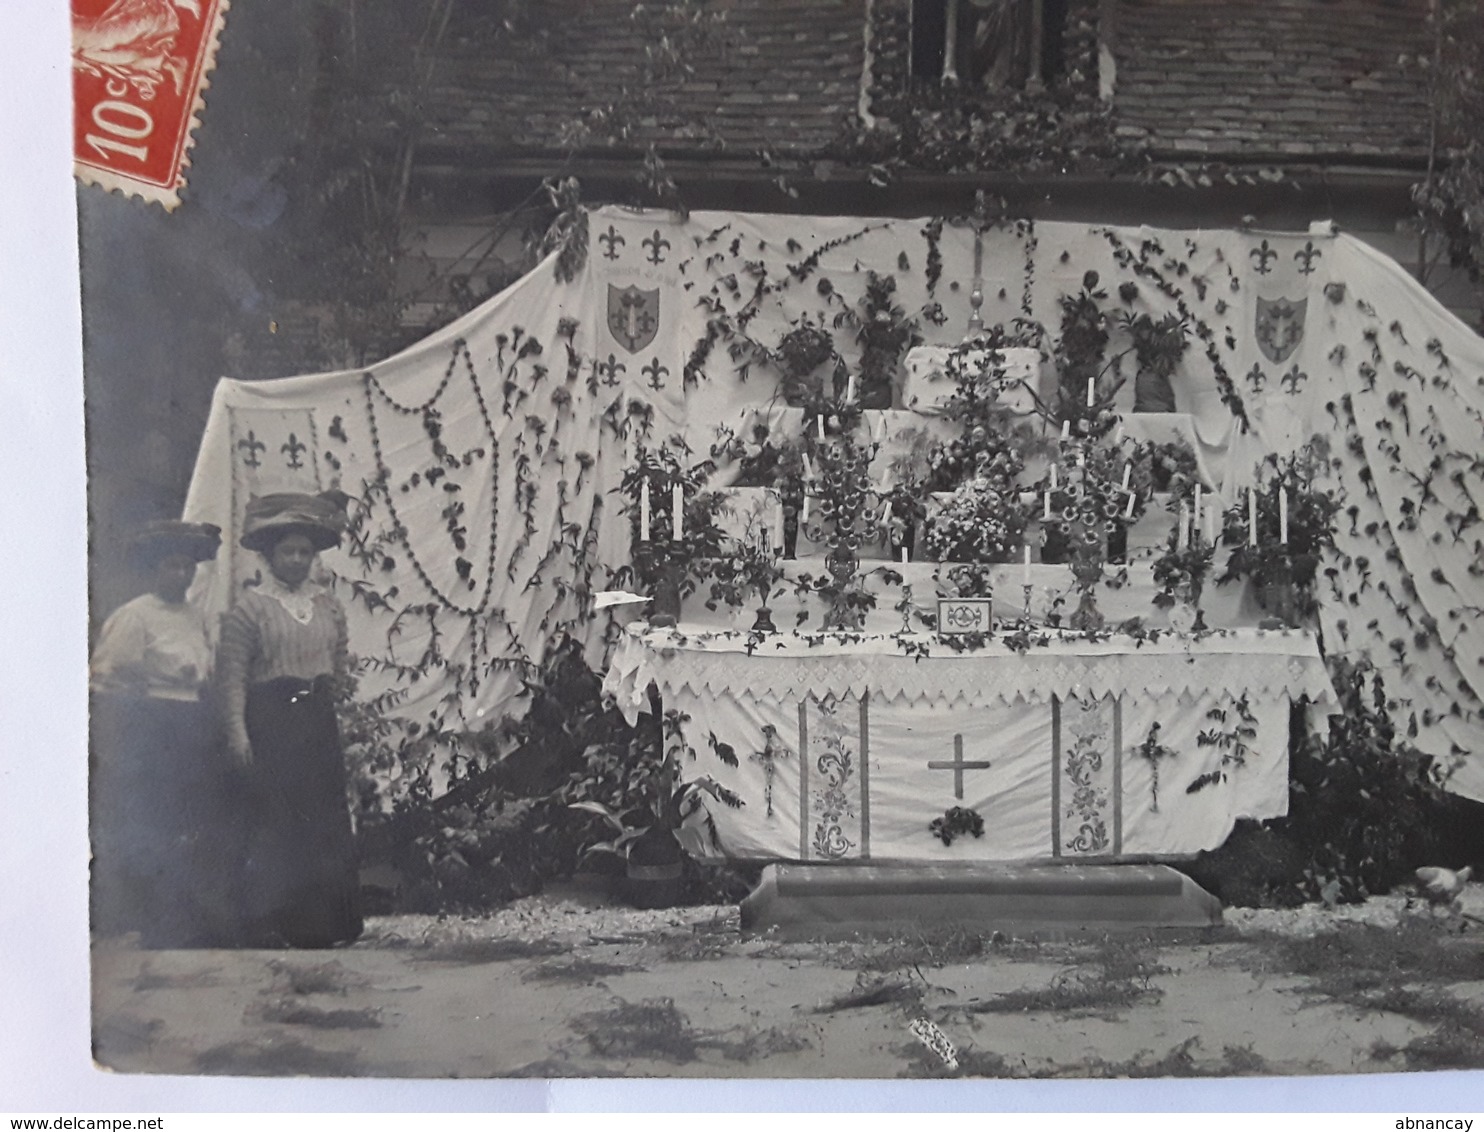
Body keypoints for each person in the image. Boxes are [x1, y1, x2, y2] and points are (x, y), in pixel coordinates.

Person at [217, 492, 364, 948]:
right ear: (269, 555)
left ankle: (322, 926)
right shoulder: (250, 609)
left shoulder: (327, 605)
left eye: (305, 552)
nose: (297, 560)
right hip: (271, 722)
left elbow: (339, 665)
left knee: (322, 821)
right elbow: (233, 678)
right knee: (278, 823)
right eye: (288, 552)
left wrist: (334, 708)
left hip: (316, 723)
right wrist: (238, 732)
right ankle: (271, 924)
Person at [90, 520, 234, 947]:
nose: (181, 575)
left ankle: (184, 920)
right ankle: (145, 918)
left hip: (191, 722)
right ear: (155, 570)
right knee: (153, 820)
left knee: (189, 821)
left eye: (188, 567)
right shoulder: (135, 615)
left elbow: (205, 669)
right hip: (151, 726)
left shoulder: (196, 617)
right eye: (172, 566)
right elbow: (105, 676)